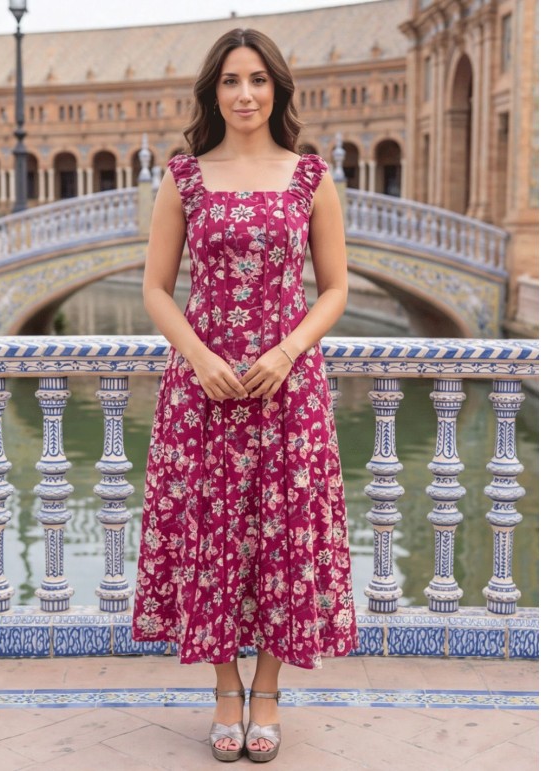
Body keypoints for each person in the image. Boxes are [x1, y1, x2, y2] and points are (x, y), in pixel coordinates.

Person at [132, 27, 359, 763]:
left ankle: (269, 690)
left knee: (284, 538)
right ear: (213, 92)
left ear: (278, 89)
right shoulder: (185, 178)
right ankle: (224, 687)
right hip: (204, 391)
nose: (245, 94)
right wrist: (197, 357)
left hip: (287, 391)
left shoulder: (310, 177)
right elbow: (155, 289)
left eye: (258, 80)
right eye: (231, 81)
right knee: (212, 533)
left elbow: (335, 288)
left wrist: (290, 349)